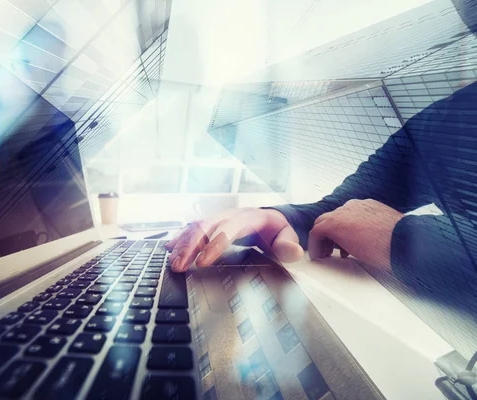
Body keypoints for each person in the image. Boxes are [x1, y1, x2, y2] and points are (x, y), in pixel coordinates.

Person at [166, 0, 477, 303]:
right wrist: (272, 218)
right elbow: (341, 210)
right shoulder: (450, 118)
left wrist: (402, 237)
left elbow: (377, 227)